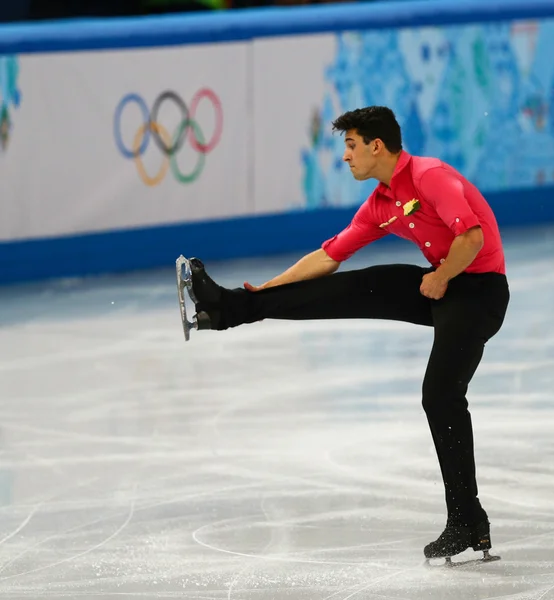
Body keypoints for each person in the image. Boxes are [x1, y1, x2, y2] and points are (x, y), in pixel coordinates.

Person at [183, 106, 510, 561]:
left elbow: (471, 237)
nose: (345, 157)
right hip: (442, 283)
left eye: (351, 146)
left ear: (377, 146)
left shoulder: (431, 177)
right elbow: (328, 256)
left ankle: (467, 520)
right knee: (355, 284)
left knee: (440, 395)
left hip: (479, 292)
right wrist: (268, 290)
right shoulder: (381, 202)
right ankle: (229, 308)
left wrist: (442, 276)